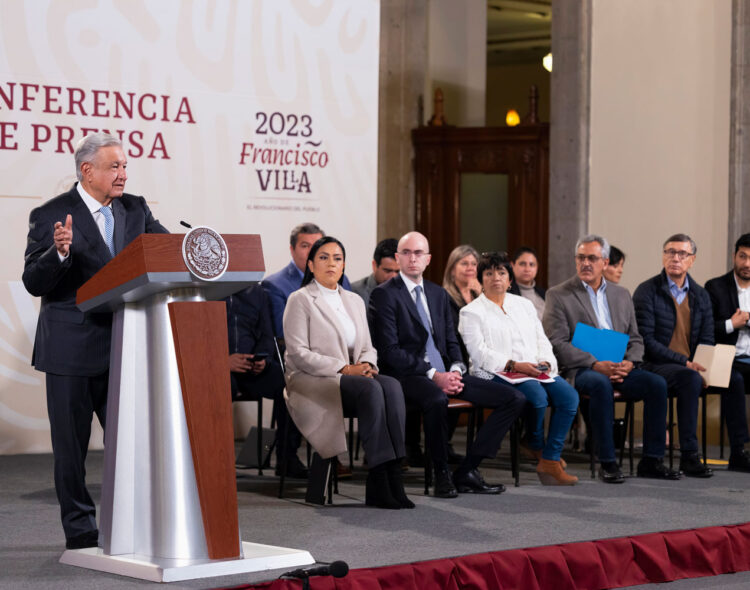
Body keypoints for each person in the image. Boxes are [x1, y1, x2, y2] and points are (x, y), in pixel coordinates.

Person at [22, 132, 168, 549]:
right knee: (72, 452)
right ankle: (81, 529)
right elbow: (35, 281)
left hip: (125, 346)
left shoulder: (135, 209)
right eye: (114, 167)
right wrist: (59, 254)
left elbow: (162, 251)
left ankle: (134, 522)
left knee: (133, 444)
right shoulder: (51, 213)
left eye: (124, 166)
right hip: (70, 350)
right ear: (87, 171)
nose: (123, 174)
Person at [369, 231, 526, 498]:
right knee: (436, 400)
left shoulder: (437, 294)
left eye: (418, 253)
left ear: (428, 259)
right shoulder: (384, 295)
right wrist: (433, 375)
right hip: (408, 375)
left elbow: (451, 340)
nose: (412, 258)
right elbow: (389, 352)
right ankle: (441, 472)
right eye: (406, 253)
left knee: (514, 398)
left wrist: (455, 369)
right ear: (397, 258)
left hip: (446, 372)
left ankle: (467, 469)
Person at [283, 237, 412, 509]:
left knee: (391, 386)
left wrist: (366, 365)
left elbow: (367, 346)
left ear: (344, 265)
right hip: (312, 379)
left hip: (352, 377)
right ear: (310, 264)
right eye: (324, 257)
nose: (331, 263)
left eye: (337, 258)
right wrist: (344, 368)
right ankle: (378, 476)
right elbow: (298, 354)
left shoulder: (353, 300)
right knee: (372, 389)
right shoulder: (301, 299)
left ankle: (392, 471)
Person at [543, 234, 679, 484]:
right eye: (581, 258)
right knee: (599, 384)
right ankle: (608, 461)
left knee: (657, 384)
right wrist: (595, 364)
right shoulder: (559, 295)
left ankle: (651, 460)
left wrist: (630, 362)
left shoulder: (621, 294)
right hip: (583, 369)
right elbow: (556, 343)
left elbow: (635, 338)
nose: (586, 263)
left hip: (620, 366)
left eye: (592, 258)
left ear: (605, 262)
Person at [633, 233, 750, 476]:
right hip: (655, 363)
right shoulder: (647, 291)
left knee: (730, 378)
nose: (675, 258)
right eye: (670, 252)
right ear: (663, 256)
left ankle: (739, 451)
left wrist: (705, 365)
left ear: (692, 260)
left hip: (690, 365)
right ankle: (689, 455)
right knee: (690, 378)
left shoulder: (700, 295)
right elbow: (647, 341)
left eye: (682, 254)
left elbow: (707, 338)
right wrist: (686, 363)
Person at [459, 252, 579, 485]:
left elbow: (541, 339)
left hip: (533, 368)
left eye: (501, 273)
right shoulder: (471, 312)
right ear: (481, 279)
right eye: (489, 273)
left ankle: (550, 460)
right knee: (536, 396)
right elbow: (478, 353)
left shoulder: (524, 305)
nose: (496, 278)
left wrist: (545, 361)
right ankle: (534, 443)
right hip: (494, 371)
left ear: (510, 279)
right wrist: (515, 365)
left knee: (569, 397)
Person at [226, 284, 306, 478]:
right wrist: (223, 361)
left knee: (293, 385)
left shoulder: (257, 292)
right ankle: (216, 461)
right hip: (218, 366)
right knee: (218, 387)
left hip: (252, 365)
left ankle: (287, 457)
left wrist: (264, 360)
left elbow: (267, 335)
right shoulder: (206, 290)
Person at [705, 233, 750, 471]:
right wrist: (732, 324)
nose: (747, 264)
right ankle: (738, 451)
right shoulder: (716, 287)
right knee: (735, 380)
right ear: (734, 256)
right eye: (742, 256)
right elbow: (704, 329)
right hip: (726, 359)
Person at [262, 222, 351, 340]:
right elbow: (283, 331)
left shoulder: (342, 280)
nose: (312, 252)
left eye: (316, 246)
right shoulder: (274, 285)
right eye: (305, 246)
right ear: (292, 250)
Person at [351, 238, 399, 307]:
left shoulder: (408, 290)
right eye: (388, 271)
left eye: (398, 271)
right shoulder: (354, 293)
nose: (394, 276)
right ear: (374, 266)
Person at [509, 246, 546, 321]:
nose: (527, 269)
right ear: (512, 265)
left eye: (532, 265)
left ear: (537, 267)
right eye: (522, 264)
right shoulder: (506, 294)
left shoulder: (545, 294)